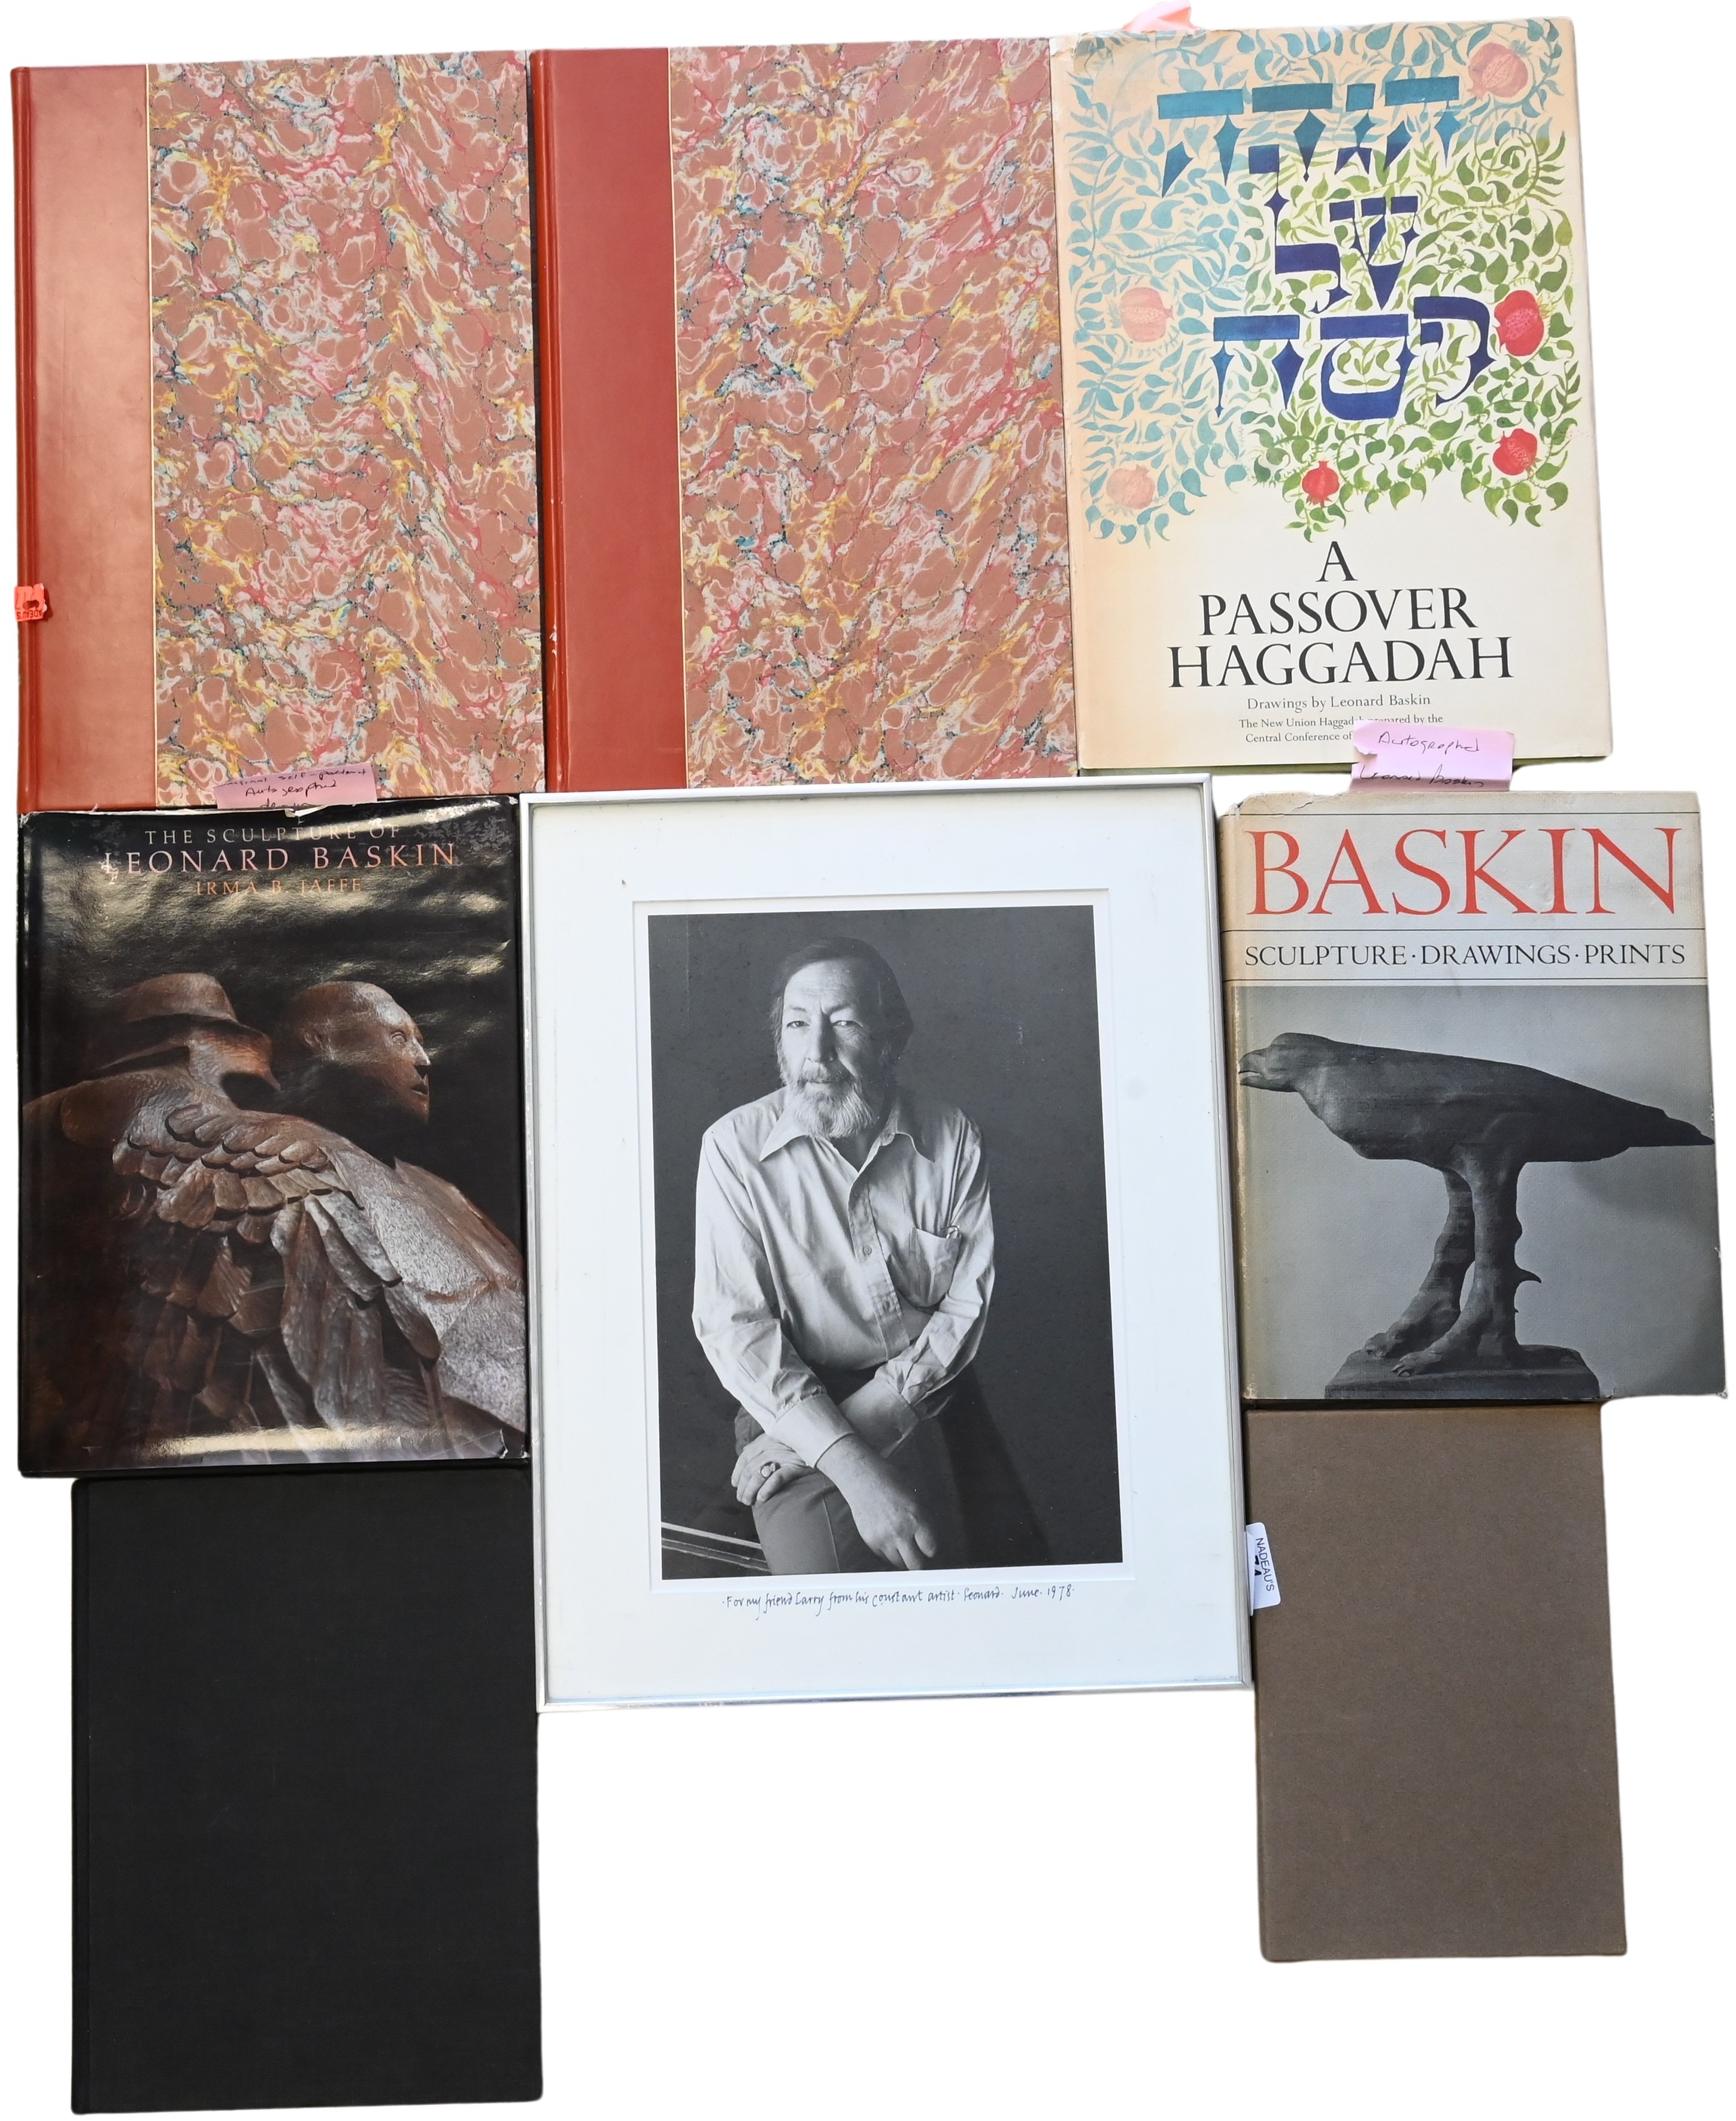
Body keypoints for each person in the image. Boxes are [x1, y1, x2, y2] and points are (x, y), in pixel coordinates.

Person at [692, 938, 995, 1573]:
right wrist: (850, 1466)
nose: (817, 1054)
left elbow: (964, 1308)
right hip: (792, 1397)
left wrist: (820, 1444)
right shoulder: (731, 1149)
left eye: (846, 1023)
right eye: (797, 1025)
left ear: (892, 1039)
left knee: (981, 1576)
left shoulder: (954, 1136)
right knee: (823, 1597)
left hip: (931, 1391)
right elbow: (736, 1328)